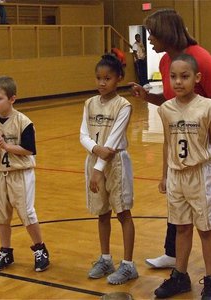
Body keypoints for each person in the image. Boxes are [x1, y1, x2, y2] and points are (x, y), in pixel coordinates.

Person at [130, 8, 211, 284]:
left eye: (152, 33)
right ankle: (172, 254)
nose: (149, 38)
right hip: (181, 138)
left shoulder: (202, 60)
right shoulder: (166, 61)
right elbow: (171, 102)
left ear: (167, 31)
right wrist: (147, 97)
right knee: (177, 199)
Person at [155, 53, 211, 299]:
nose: (178, 82)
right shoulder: (166, 109)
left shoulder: (209, 107)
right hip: (177, 174)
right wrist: (164, 175)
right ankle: (180, 276)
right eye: (173, 77)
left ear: (196, 78)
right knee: (181, 227)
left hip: (202, 173)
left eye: (184, 76)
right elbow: (167, 142)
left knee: (206, 229)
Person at [79, 54, 138, 285]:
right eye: (99, 78)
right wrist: (95, 149)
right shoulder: (89, 103)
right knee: (102, 212)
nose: (102, 83)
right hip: (94, 159)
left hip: (116, 164)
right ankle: (105, 259)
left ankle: (128, 265)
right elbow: (82, 134)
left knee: (123, 212)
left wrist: (98, 167)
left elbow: (112, 143)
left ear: (119, 78)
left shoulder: (124, 105)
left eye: (108, 78)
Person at [0, 76, 50, 273]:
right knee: (1, 215)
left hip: (21, 173)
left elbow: (29, 150)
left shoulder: (23, 122)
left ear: (12, 99)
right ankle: (5, 251)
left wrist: (6, 145)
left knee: (27, 213)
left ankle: (40, 249)